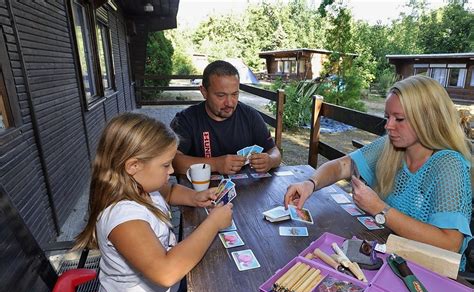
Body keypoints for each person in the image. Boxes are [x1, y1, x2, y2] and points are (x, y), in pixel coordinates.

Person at [284, 75, 472, 270]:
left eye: (399, 119)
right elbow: (342, 165)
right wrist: (310, 183)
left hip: (429, 273)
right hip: (392, 258)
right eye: (387, 117)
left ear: (428, 120)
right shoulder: (391, 145)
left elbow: (450, 244)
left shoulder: (449, 164)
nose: (388, 126)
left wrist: (380, 209)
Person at [75, 113, 233, 292]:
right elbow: (165, 272)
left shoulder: (142, 185)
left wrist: (196, 197)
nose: (172, 170)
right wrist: (213, 224)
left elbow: (170, 192)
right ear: (133, 166)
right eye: (166, 165)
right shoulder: (124, 217)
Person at [170, 60, 281, 175]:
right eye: (221, 95)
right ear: (204, 92)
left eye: (234, 94)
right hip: (198, 191)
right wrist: (215, 164)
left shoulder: (250, 116)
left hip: (245, 190)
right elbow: (173, 161)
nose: (229, 103)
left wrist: (270, 160)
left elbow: (274, 151)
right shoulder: (186, 119)